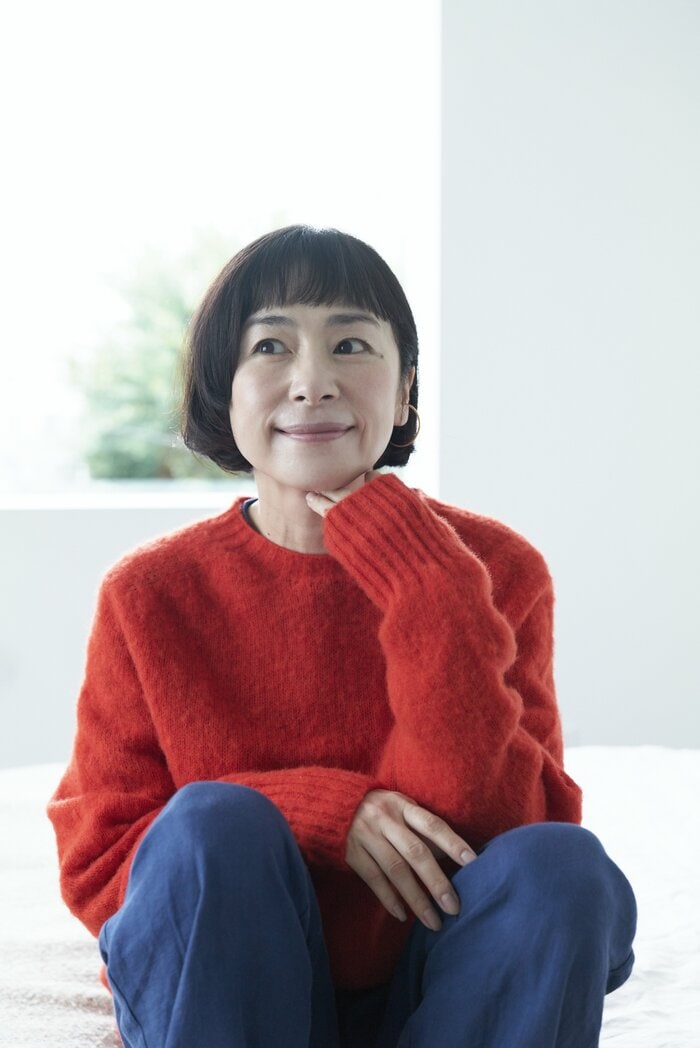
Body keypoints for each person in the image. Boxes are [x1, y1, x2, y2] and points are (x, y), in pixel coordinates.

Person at [47, 224, 637, 1048]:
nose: (313, 382)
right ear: (223, 391)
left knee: (563, 867)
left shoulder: (496, 569)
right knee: (212, 823)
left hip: (439, 979)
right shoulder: (150, 594)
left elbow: (506, 828)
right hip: (229, 982)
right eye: (271, 346)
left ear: (404, 392)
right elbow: (105, 861)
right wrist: (316, 814)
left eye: (351, 344)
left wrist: (431, 589)